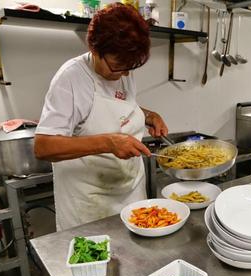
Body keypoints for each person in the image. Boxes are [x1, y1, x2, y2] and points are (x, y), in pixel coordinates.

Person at [34, 3, 168, 230]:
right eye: (118, 67)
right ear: (95, 50)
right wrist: (108, 142)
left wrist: (148, 115)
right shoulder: (71, 78)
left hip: (131, 193)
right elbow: (43, 147)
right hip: (89, 203)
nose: (125, 74)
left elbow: (120, 105)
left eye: (130, 68)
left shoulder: (122, 70)